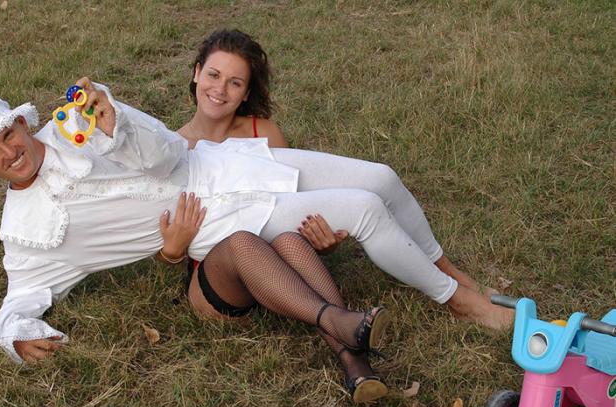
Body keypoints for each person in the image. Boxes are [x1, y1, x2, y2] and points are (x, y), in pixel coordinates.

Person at [0, 79, 392, 403]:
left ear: (22, 123)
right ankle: (340, 323)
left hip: (220, 182)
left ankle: (352, 356)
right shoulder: (25, 231)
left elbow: (166, 152)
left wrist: (116, 120)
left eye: (8, 135)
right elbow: (17, 300)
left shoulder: (74, 126)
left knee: (297, 237)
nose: (9, 152)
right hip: (212, 243)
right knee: (251, 242)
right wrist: (16, 336)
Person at [160, 29, 511, 333]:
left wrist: (320, 242)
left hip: (281, 250)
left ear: (247, 92)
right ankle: (458, 300)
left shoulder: (261, 132)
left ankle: (450, 273)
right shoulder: (172, 150)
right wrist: (171, 253)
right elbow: (153, 235)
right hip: (228, 267)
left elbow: (291, 205)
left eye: (235, 82)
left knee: (382, 178)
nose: (220, 89)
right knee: (364, 208)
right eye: (213, 74)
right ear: (196, 73)